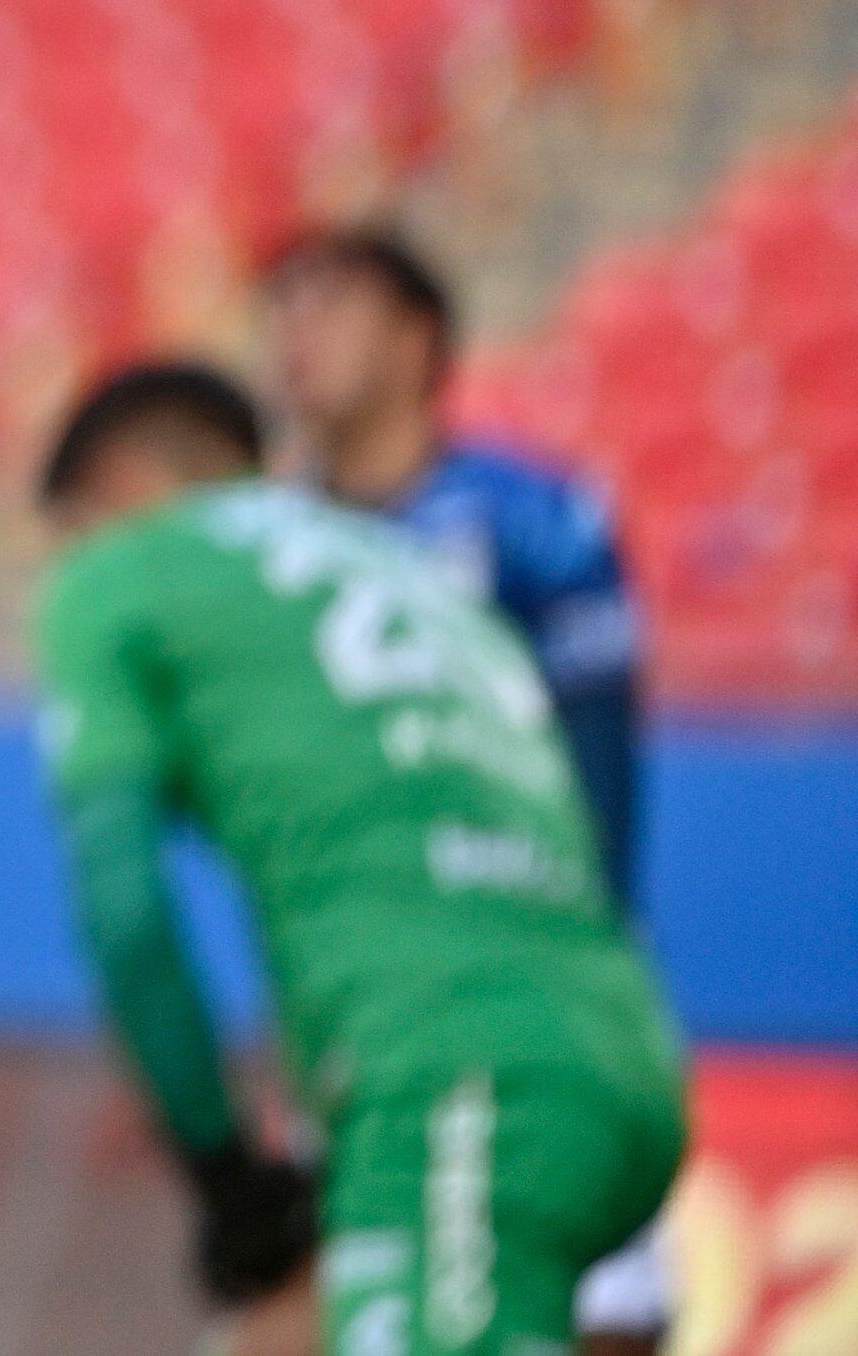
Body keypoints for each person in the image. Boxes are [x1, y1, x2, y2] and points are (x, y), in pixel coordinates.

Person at [33, 361, 685, 1356]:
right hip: (619, 1056)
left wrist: (225, 1177)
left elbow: (123, 909)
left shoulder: (122, 572)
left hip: (449, 1075)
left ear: (117, 486)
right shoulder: (409, 569)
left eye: (66, 533)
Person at [268, 226, 668, 1352]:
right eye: (283, 305)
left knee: (598, 1315)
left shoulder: (535, 521)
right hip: (357, 1016)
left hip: (538, 999)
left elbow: (597, 775)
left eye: (332, 301)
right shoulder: (263, 548)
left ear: (417, 339)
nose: (294, 331)